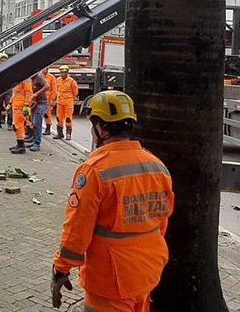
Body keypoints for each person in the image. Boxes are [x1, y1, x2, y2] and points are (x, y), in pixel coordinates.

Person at [51, 90, 173, 312]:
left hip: (111, 277)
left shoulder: (95, 170)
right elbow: (161, 221)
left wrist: (61, 268)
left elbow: (77, 229)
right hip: (149, 269)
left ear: (101, 127)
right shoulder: (157, 166)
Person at [54, 65, 78, 141]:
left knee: (68, 118)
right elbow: (56, 90)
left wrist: (70, 98)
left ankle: (68, 134)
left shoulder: (71, 82)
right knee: (59, 118)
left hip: (68, 103)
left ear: (67, 73)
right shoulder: (58, 80)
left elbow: (75, 92)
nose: (62, 74)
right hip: (60, 102)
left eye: (63, 73)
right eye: (61, 73)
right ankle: (60, 133)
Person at [9, 77, 33, 154]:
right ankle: (19, 144)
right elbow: (15, 93)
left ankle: (21, 147)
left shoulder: (26, 80)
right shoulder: (18, 80)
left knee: (18, 126)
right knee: (16, 126)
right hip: (16, 106)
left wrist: (26, 105)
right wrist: (10, 103)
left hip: (21, 107)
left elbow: (29, 93)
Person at [29, 71, 49, 151]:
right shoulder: (30, 79)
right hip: (35, 104)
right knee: (33, 123)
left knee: (37, 124)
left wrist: (36, 94)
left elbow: (47, 86)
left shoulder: (39, 78)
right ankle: (34, 140)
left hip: (41, 104)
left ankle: (37, 143)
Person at [41, 67, 57, 135]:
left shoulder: (51, 77)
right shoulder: (40, 76)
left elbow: (54, 89)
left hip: (48, 99)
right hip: (41, 98)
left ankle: (48, 129)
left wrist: (53, 99)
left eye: (44, 69)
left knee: (47, 114)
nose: (43, 70)